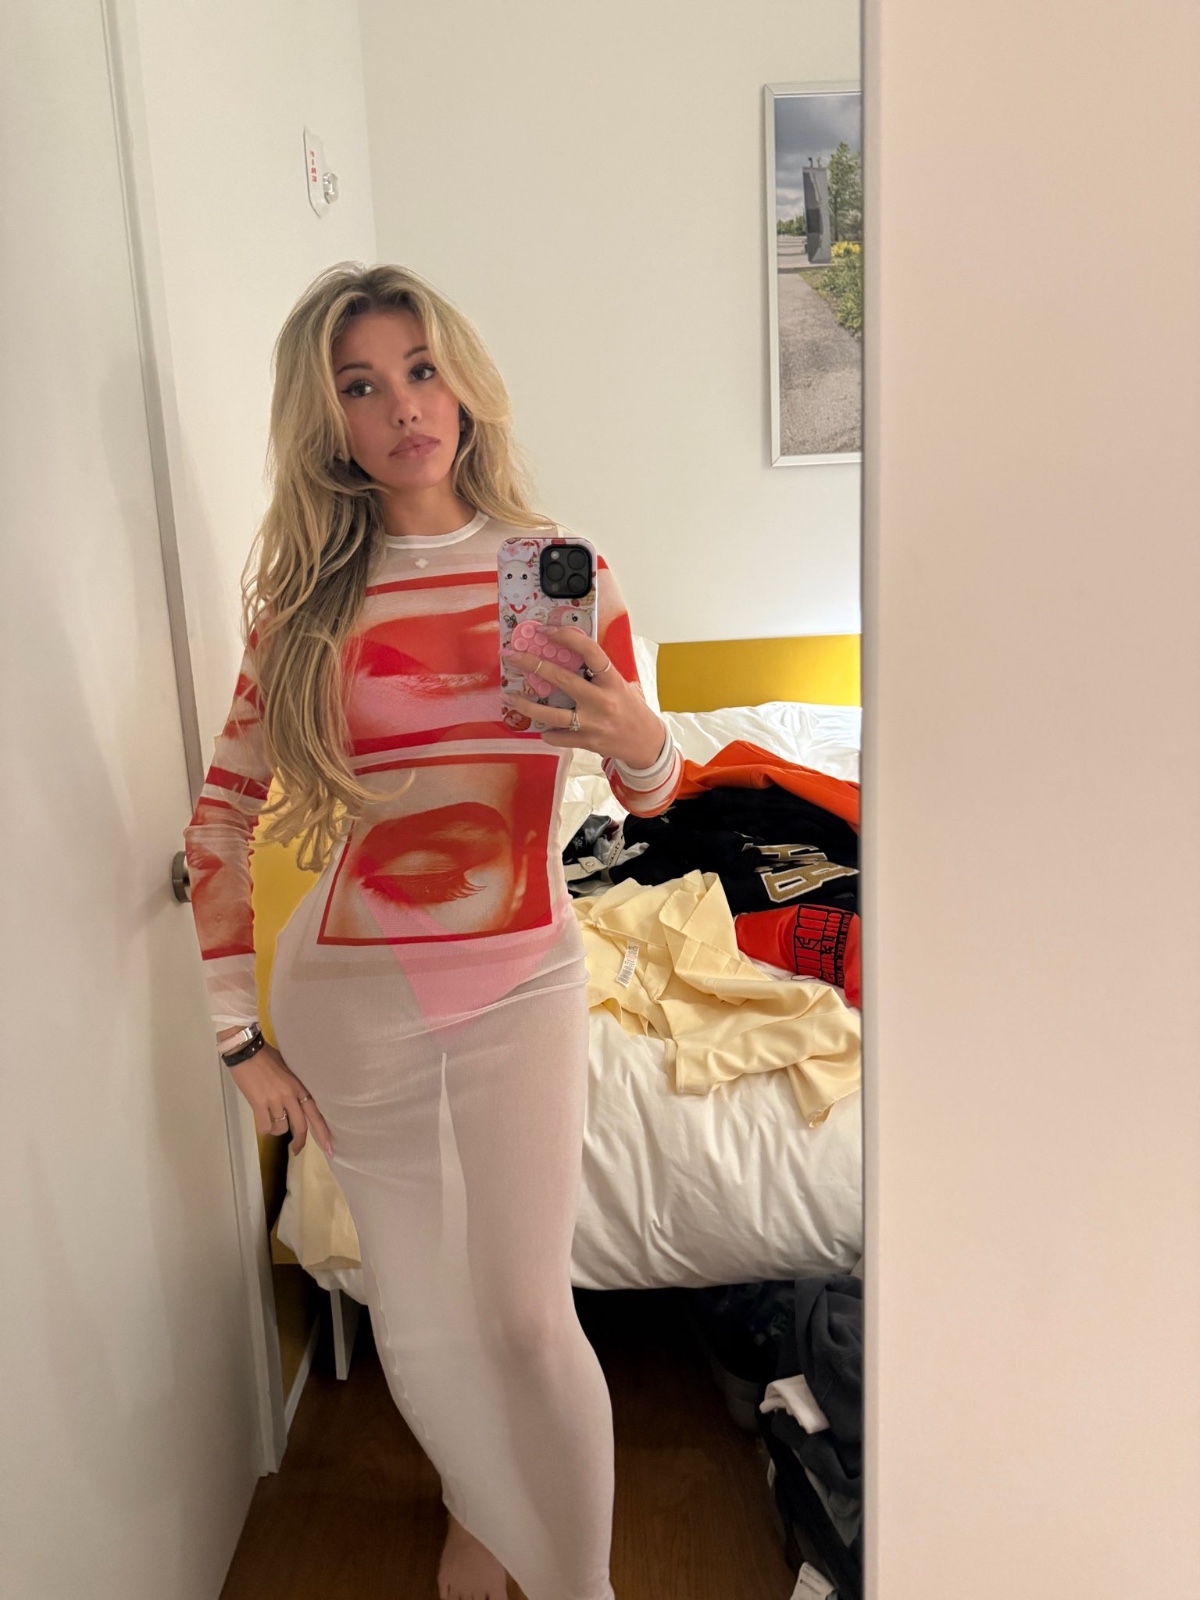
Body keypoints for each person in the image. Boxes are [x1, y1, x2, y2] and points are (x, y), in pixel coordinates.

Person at [182, 262, 683, 1600]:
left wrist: (644, 738)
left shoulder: (566, 575)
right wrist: (236, 1039)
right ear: (328, 422)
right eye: (361, 386)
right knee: (417, 1317)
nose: (403, 406)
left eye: (420, 369)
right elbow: (218, 821)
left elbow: (646, 799)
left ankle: (579, 1584)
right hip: (352, 1000)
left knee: (523, 1316)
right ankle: (480, 1512)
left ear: (462, 384)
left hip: (525, 975)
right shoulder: (306, 612)